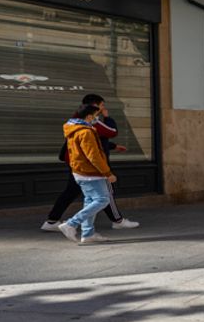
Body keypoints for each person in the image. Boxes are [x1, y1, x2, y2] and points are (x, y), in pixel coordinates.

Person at [42, 93, 139, 232]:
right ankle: (73, 224)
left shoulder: (75, 122)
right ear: (94, 107)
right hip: (89, 166)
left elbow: (92, 142)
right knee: (103, 196)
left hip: (77, 163)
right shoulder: (89, 121)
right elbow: (110, 133)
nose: (103, 108)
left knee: (81, 194)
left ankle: (59, 223)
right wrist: (107, 117)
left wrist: (112, 146)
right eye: (102, 106)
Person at [57, 105, 117, 244]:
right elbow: (93, 155)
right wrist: (108, 173)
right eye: (96, 116)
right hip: (91, 172)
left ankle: (88, 234)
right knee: (103, 199)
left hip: (80, 171)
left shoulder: (73, 129)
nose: (97, 119)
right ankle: (71, 224)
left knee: (90, 201)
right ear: (89, 116)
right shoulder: (86, 132)